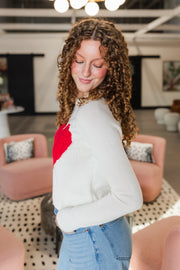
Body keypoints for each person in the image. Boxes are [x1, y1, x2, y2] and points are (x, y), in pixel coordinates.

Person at [52, 18, 143, 270]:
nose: (84, 72)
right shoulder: (83, 104)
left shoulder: (93, 113)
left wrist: (67, 218)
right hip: (86, 233)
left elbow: (130, 197)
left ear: (111, 67)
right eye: (79, 60)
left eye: (98, 64)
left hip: (94, 237)